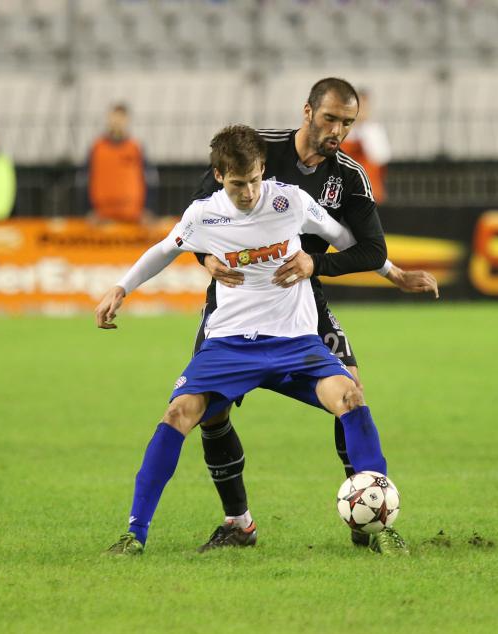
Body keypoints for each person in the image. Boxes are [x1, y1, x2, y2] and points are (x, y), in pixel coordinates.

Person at [96, 125, 392, 556]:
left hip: (295, 342)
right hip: (230, 344)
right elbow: (164, 249)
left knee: (351, 397)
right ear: (219, 176)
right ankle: (134, 534)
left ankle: (381, 526)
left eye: (255, 180)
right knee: (179, 413)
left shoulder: (290, 200)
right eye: (238, 184)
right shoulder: (204, 215)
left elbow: (348, 240)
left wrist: (385, 271)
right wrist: (120, 288)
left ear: (263, 171)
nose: (250, 192)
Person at [191, 78, 436, 554]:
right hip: (236, 301)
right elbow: (197, 219)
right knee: (208, 410)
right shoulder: (256, 150)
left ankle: (370, 522)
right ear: (307, 111)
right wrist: (204, 260)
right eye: (331, 118)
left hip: (302, 299)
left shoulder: (349, 176)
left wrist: (367, 270)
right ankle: (238, 523)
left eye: (348, 122)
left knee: (351, 391)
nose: (338, 130)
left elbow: (367, 248)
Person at [84, 103, 158, 224]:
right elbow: (85, 179)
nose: (117, 122)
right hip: (102, 217)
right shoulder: (97, 148)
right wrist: (88, 210)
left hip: (133, 217)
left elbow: (150, 179)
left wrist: (147, 209)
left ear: (127, 120)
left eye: (121, 118)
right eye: (114, 117)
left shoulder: (135, 148)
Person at [339, 88, 391, 204]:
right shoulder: (341, 132)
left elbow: (379, 157)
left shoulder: (374, 130)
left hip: (370, 195)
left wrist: (363, 131)